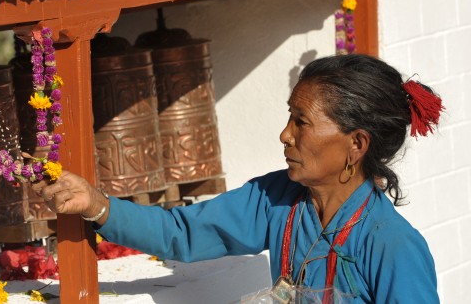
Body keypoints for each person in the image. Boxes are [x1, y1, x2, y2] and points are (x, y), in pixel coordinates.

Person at [32, 54, 442, 303]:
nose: (285, 135)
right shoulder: (277, 199)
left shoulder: (392, 245)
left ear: (356, 144)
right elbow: (182, 234)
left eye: (301, 123)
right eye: (289, 117)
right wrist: (96, 204)